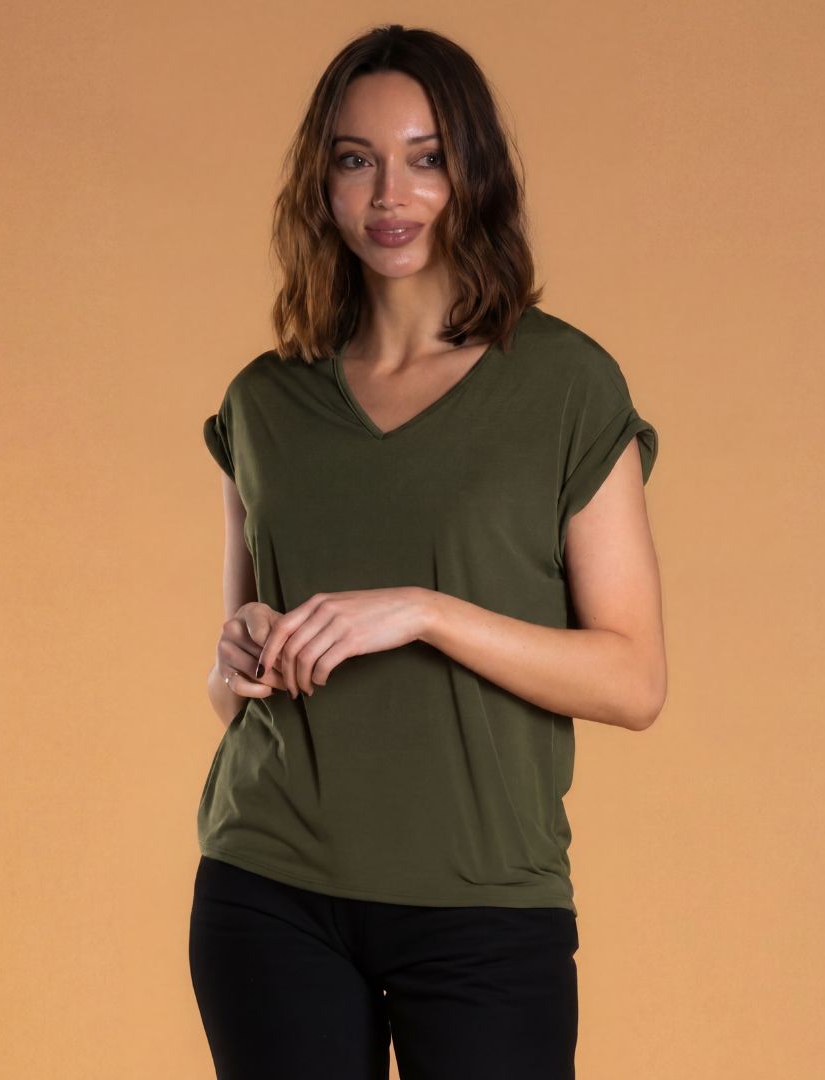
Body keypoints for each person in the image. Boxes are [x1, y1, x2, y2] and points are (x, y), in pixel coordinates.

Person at [188, 22, 665, 1080]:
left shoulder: (564, 386)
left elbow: (634, 680)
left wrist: (424, 610)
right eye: (356, 161)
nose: (390, 195)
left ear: (473, 174)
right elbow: (236, 693)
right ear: (322, 184)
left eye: (426, 158)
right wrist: (239, 655)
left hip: (484, 905)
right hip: (269, 887)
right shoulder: (264, 403)